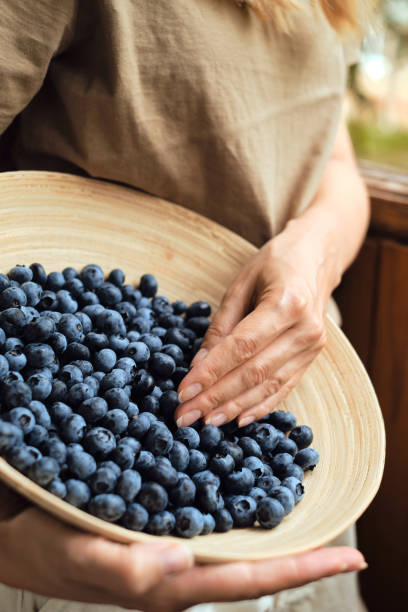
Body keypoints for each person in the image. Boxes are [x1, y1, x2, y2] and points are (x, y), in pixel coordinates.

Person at [0, 0, 371, 610]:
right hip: (79, 527)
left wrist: (314, 254)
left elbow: (334, 162)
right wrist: (6, 544)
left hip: (288, 421)